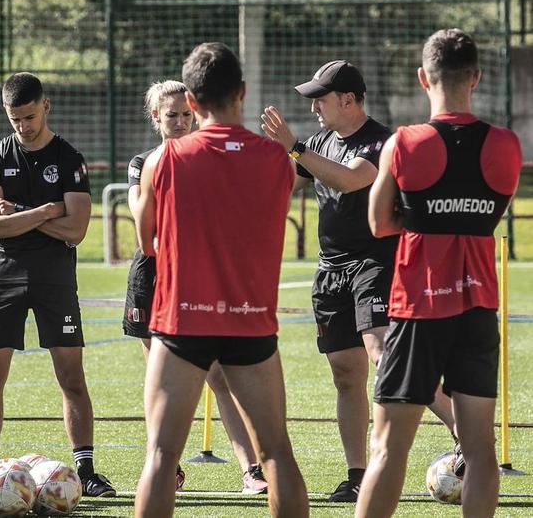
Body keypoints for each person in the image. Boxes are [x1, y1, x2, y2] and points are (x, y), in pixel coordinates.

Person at [261, 60, 457, 502]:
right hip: (330, 269)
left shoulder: (381, 141)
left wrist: (293, 147)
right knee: (346, 374)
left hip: (376, 262)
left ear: (348, 100)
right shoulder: (317, 141)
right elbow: (283, 185)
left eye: (321, 98)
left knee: (383, 355)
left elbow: (350, 180)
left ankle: (462, 431)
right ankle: (356, 475)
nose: (314, 107)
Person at [133, 42, 308, 518]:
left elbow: (146, 240)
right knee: (276, 453)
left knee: (162, 456)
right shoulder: (277, 161)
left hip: (182, 321)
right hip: (250, 322)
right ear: (243, 93)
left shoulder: (163, 161)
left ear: (190, 101)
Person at [355, 28, 522, 518]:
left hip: (418, 306)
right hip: (477, 308)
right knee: (480, 450)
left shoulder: (403, 143)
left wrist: (422, 218)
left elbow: (379, 222)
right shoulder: (506, 145)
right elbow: (488, 214)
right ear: (476, 77)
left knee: (388, 449)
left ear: (423, 78)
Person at [0, 71, 115, 497]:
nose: (23, 126)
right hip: (6, 274)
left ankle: (86, 470)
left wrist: (21, 212)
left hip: (55, 276)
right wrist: (45, 210)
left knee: (71, 374)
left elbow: (77, 230)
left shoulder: (70, 158)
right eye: (15, 118)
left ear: (46, 106)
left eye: (30, 117)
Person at [125, 79, 269, 494]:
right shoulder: (144, 161)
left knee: (220, 376)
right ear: (156, 117)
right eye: (172, 115)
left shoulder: (207, 157)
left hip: (198, 274)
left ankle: (251, 470)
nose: (181, 121)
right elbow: (142, 220)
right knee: (163, 382)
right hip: (153, 275)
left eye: (187, 114)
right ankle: (164, 469)